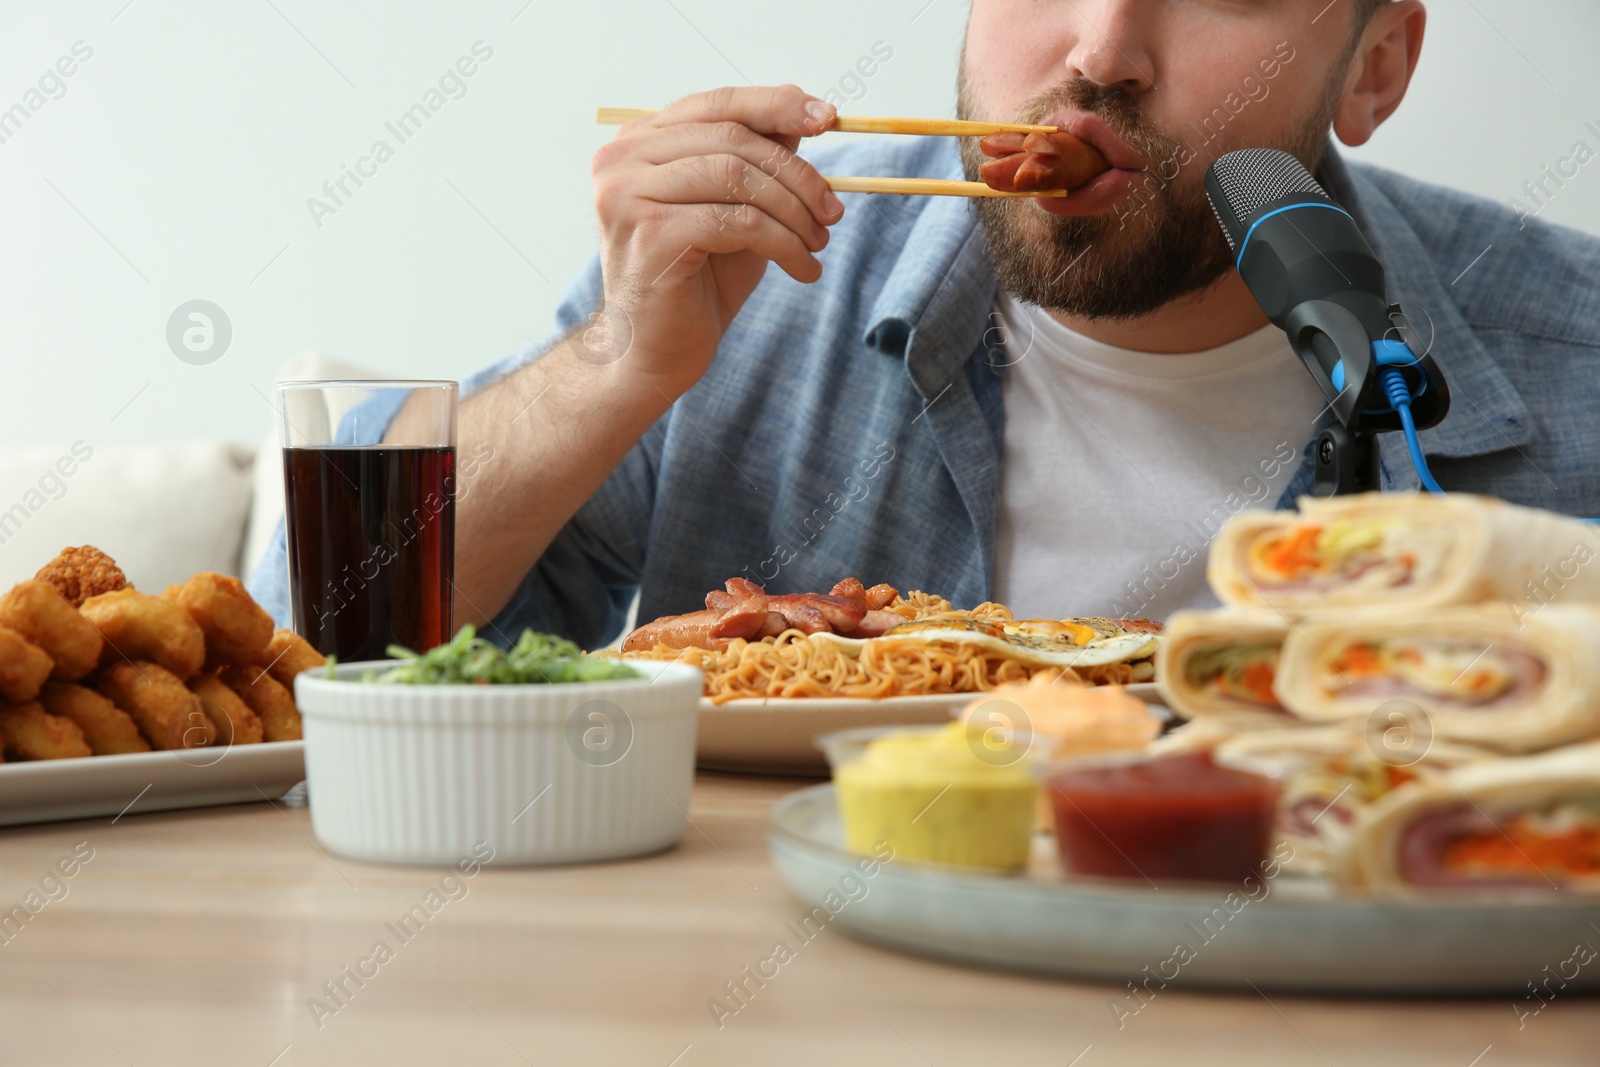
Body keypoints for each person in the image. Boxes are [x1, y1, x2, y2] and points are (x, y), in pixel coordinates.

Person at [251, 0, 1600, 646]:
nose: (1100, 51)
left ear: (1374, 68)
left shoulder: (1573, 356)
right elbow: (317, 638)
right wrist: (619, 364)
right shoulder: (768, 271)